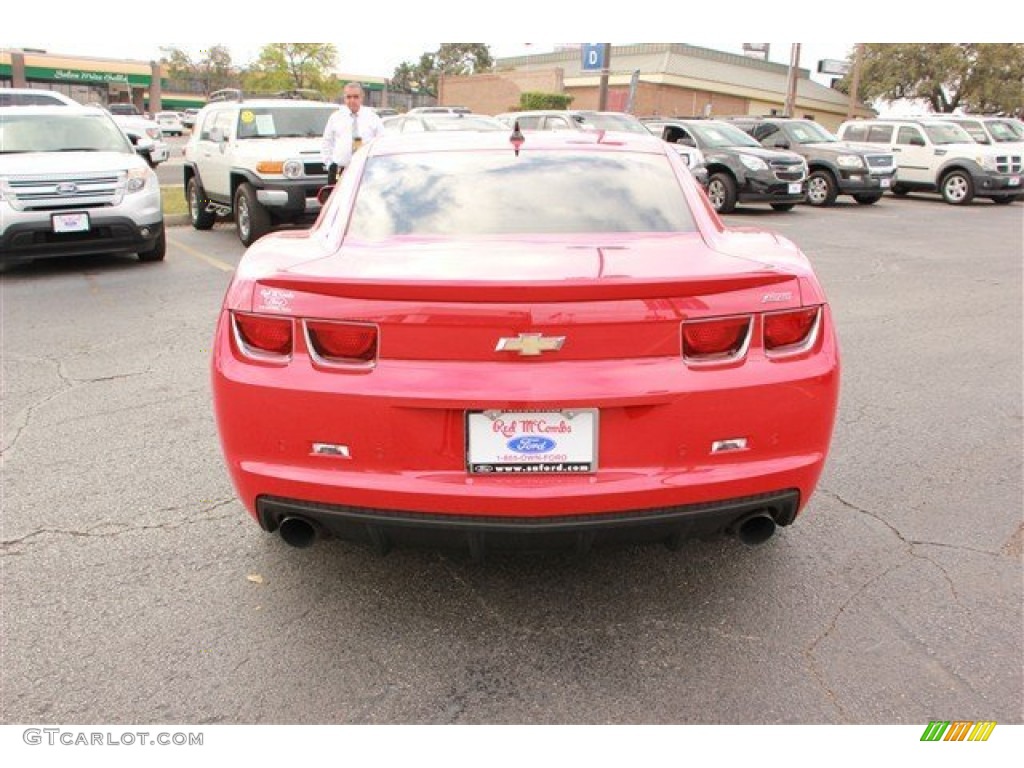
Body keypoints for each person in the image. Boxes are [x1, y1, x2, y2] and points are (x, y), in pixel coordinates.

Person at [321, 82, 384, 185]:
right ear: (344, 98)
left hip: (365, 171)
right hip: (340, 171)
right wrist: (330, 164)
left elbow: (381, 143)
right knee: (338, 200)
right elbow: (327, 142)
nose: (352, 100)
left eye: (356, 97)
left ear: (362, 98)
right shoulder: (336, 118)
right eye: (348, 97)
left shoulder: (373, 118)